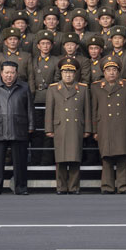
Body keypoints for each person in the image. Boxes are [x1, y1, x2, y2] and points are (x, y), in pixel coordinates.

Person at [0, 62, 33, 195]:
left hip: (18, 126)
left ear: (16, 74)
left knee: (20, 161)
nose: (9, 76)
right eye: (6, 72)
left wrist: (31, 125)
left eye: (12, 73)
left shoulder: (24, 87)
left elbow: (30, 108)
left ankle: (21, 188)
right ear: (1, 73)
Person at [44, 60, 90, 194]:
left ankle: (74, 186)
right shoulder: (53, 88)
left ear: (75, 74)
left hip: (76, 126)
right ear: (61, 73)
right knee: (60, 158)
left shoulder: (82, 88)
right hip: (60, 127)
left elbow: (86, 110)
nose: (68, 75)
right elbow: (49, 111)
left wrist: (87, 129)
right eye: (65, 72)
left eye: (70, 72)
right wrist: (49, 129)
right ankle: (61, 187)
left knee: (75, 158)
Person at [92, 60, 126, 194]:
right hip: (104, 126)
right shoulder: (96, 87)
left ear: (118, 72)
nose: (111, 73)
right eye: (108, 70)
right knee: (106, 157)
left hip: (122, 126)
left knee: (122, 156)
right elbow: (94, 110)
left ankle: (124, 186)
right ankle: (107, 186)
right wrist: (94, 130)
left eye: (114, 70)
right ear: (103, 72)